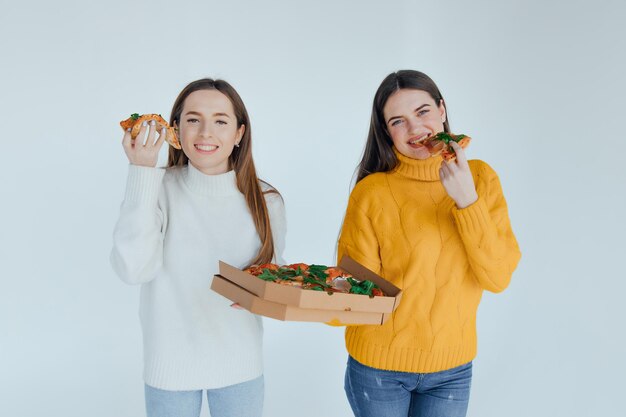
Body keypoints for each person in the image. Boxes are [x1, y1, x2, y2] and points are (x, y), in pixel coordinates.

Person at [336, 70, 521, 417]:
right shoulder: (372, 192)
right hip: (379, 367)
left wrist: (468, 201)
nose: (415, 129)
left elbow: (498, 278)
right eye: (398, 121)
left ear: (442, 109)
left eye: (422, 112)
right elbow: (357, 291)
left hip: (451, 369)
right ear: (386, 132)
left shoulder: (481, 179)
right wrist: (297, 300)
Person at [110, 78, 285, 417]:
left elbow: (273, 278)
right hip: (170, 365)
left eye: (221, 120)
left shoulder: (267, 201)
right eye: (193, 119)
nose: (206, 132)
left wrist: (265, 295)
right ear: (174, 130)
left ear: (238, 134)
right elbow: (134, 269)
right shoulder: (154, 186)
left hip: (240, 365)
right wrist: (141, 172)